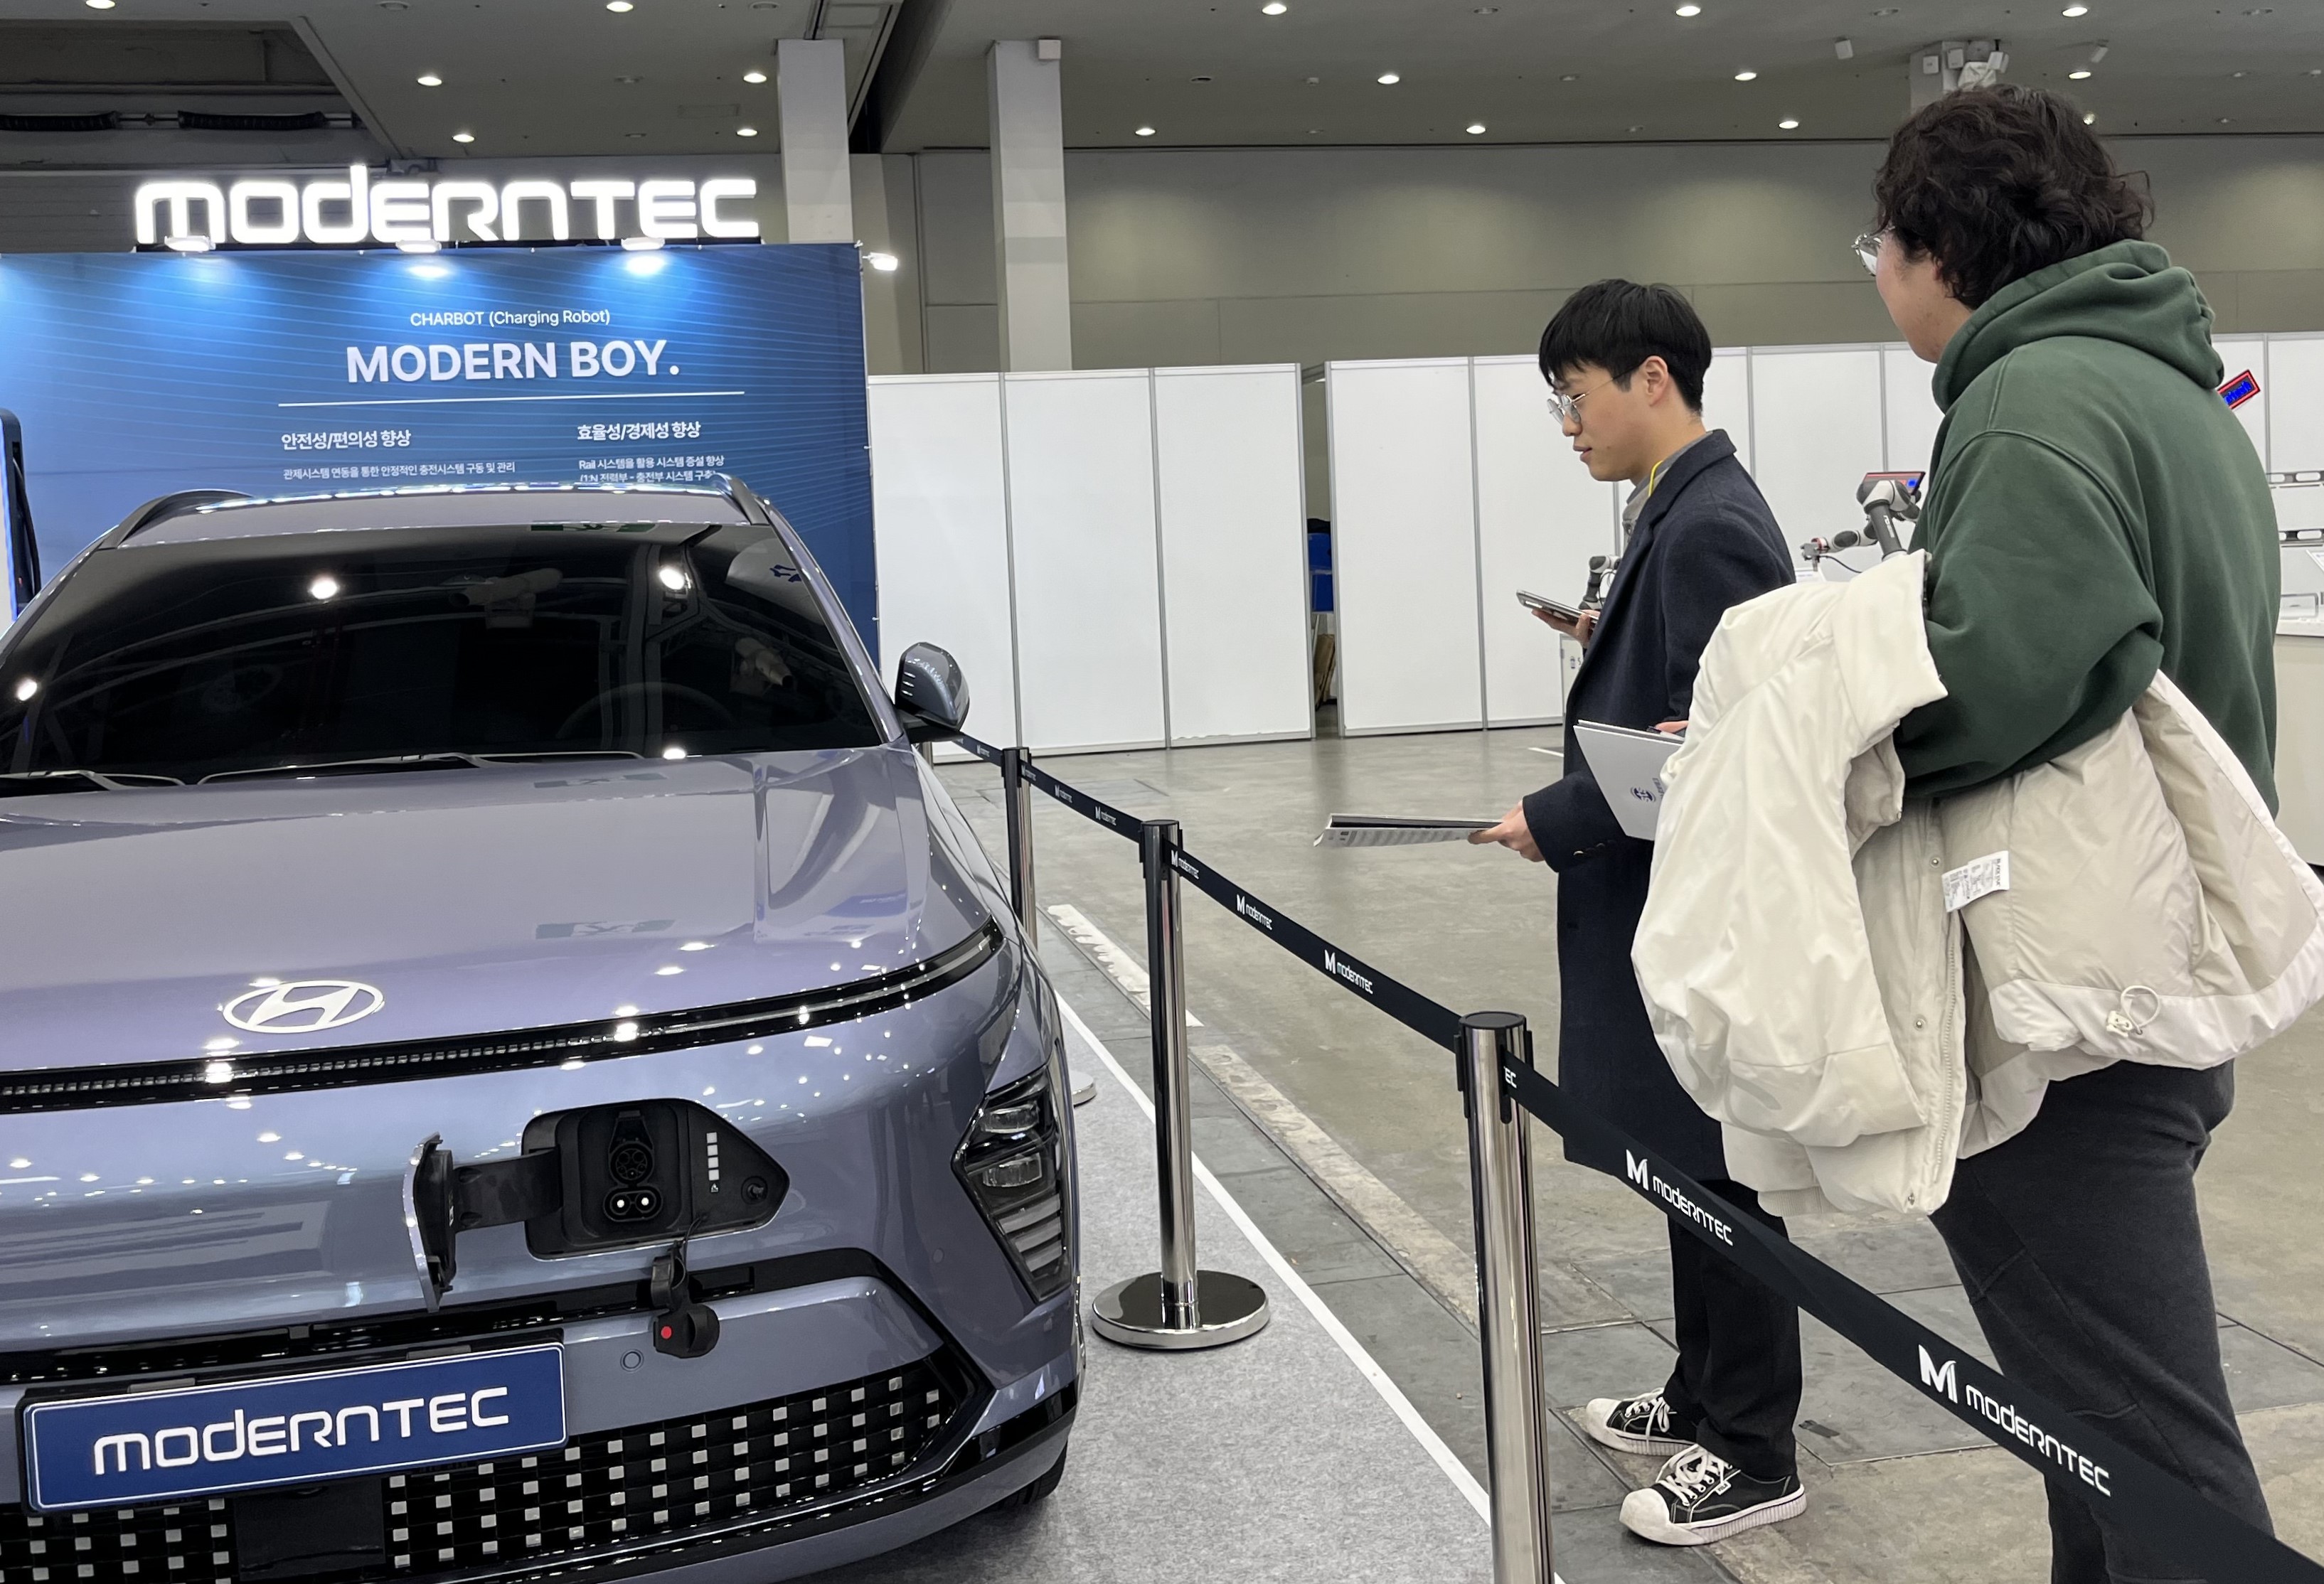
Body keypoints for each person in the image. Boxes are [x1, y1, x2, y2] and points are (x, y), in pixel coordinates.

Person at [1865, 86, 2278, 1583]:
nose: (1878, 274)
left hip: (2071, 1001)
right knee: (2089, 1428)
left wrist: (1819, 727)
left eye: (1880, 244)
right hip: (2154, 960)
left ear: (1939, 246)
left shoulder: (2027, 400)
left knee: (2149, 1452)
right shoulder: (2164, 388)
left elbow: (1996, 678)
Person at [1470, 280, 1803, 1546]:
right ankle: (1703, 1391)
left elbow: (1719, 748)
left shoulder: (1712, 524)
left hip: (1694, 911)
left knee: (1722, 1171)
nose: (1570, 424)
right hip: (1654, 900)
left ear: (1651, 377)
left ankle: (1756, 1447)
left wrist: (1557, 815)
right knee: (1678, 1155)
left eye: (1577, 396)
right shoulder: (1675, 507)